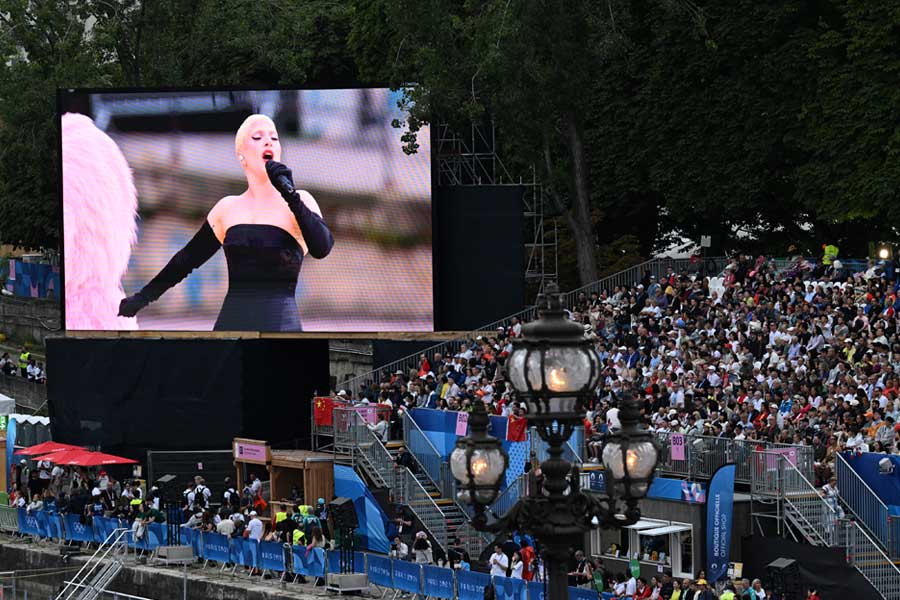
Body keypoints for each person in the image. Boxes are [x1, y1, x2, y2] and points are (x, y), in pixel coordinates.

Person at [118, 113, 334, 331]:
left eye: (274, 138)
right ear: (241, 155)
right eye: (257, 137)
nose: (268, 141)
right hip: (231, 330)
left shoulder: (300, 200)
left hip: (280, 330)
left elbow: (322, 247)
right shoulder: (227, 208)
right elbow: (185, 260)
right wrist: (143, 298)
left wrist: (290, 195)